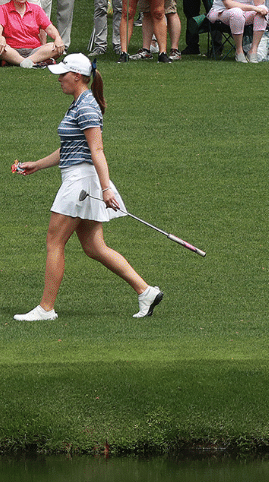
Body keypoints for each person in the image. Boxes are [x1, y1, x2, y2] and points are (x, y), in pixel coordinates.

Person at [11, 53, 162, 322]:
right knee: (95, 247)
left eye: (63, 74)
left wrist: (106, 189)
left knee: (54, 242)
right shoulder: (79, 104)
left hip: (81, 183)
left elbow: (97, 150)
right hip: (81, 179)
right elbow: (70, 149)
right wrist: (38, 164)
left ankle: (46, 308)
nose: (59, 79)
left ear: (77, 77)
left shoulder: (86, 107)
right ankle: (145, 291)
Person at [0, 0, 64, 68]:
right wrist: (0, 38)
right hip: (12, 50)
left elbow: (50, 28)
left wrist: (58, 38)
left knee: (57, 47)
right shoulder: (3, 9)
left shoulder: (36, 9)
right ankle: (32, 61)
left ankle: (21, 62)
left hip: (34, 50)